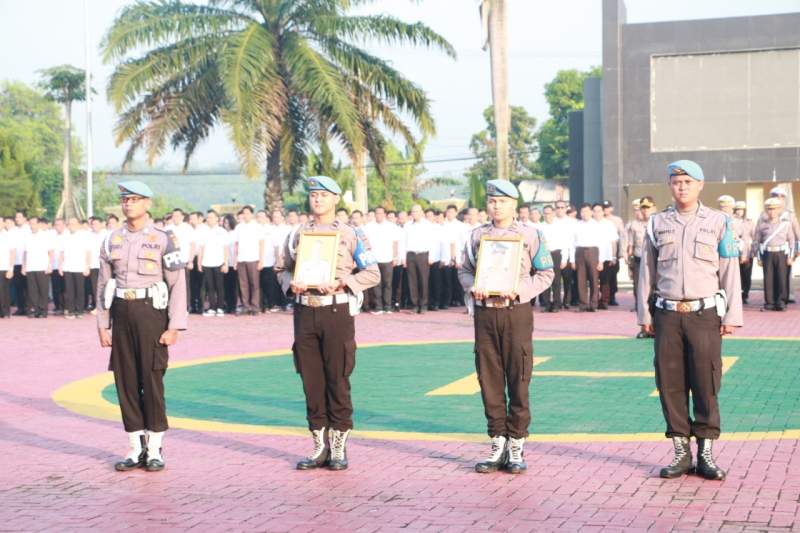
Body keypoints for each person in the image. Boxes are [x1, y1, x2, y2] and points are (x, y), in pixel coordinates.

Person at [638, 160, 742, 481]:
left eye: (687, 182)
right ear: (670, 185)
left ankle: (706, 453)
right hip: (667, 314)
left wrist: (732, 315)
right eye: (675, 181)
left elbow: (729, 270)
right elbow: (647, 272)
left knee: (706, 382)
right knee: (670, 383)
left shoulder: (719, 222)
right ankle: (681, 452)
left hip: (704, 314)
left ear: (700, 185)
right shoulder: (656, 223)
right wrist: (644, 314)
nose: (681, 187)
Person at [277, 176, 379, 471]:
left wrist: (343, 282)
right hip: (305, 311)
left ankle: (338, 445)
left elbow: (373, 273)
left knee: (338, 378)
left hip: (336, 311)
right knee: (311, 380)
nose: (318, 200)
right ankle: (318, 445)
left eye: (323, 195)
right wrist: (290, 284)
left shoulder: (352, 234)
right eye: (313, 195)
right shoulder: (297, 234)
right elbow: (281, 268)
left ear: (336, 199)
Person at [459, 180, 554, 474]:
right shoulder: (476, 236)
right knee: (488, 376)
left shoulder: (531, 234)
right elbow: (464, 270)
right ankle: (497, 439)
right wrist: (473, 286)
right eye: (491, 200)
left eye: (502, 201)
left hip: (516, 311)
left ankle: (516, 442)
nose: (496, 205)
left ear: (514, 204)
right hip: (486, 312)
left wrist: (520, 289)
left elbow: (546, 272)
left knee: (519, 375)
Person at [96, 181, 188, 472]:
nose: (129, 204)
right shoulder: (111, 239)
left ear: (147, 203)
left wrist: (175, 326)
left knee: (151, 379)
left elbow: (178, 285)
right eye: (125, 199)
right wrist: (102, 323)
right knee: (125, 381)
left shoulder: (165, 239)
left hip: (152, 313)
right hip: (122, 312)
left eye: (135, 199)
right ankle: (135, 446)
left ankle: (155, 447)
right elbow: (102, 284)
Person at [754, 197, 795, 311]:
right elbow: (757, 241)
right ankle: (770, 303)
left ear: (779, 210)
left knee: (782, 278)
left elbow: (791, 240)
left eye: (774, 209)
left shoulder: (785, 224)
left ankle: (781, 302)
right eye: (769, 209)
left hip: (781, 253)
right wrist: (758, 257)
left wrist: (791, 256)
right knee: (768, 278)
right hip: (767, 253)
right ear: (766, 210)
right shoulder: (762, 225)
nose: (772, 212)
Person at [570, 203, 605, 312]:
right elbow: (572, 243)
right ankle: (583, 304)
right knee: (581, 280)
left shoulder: (597, 225)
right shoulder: (576, 225)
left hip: (593, 252)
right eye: (582, 211)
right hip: (579, 252)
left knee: (594, 279)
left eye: (586, 211)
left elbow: (602, 244)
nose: (584, 214)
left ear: (591, 212)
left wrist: (601, 261)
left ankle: (594, 304)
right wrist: (572, 260)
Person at [628, 197, 655, 336]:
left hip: (656, 263)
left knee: (655, 294)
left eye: (648, 208)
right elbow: (630, 246)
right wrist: (629, 264)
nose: (645, 211)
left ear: (654, 208)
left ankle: (655, 325)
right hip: (639, 261)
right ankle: (644, 326)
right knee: (640, 294)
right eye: (643, 208)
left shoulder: (659, 223)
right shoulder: (634, 225)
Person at [364, 206, 399, 314]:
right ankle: (378, 307)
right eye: (377, 213)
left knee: (387, 284)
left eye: (381, 213)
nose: (379, 215)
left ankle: (388, 306)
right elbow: (365, 242)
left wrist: (395, 256)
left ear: (384, 214)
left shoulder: (391, 226)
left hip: (387, 258)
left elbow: (395, 243)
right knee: (376, 284)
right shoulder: (369, 226)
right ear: (375, 215)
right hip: (374, 259)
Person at [403, 205, 435, 314]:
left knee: (423, 280)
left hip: (423, 255)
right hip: (410, 255)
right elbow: (404, 242)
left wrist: (431, 257)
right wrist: (404, 258)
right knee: (412, 281)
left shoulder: (428, 225)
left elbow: (432, 242)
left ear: (422, 212)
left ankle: (423, 305)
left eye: (416, 211)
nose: (414, 214)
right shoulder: (407, 225)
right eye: (412, 212)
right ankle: (414, 305)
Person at [538, 205, 570, 312]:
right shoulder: (540, 227)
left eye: (549, 213)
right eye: (545, 213)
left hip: (556, 254)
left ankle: (557, 304)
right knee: (545, 279)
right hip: (544, 254)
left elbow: (565, 243)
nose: (547, 215)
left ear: (553, 213)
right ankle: (547, 304)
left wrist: (564, 259)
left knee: (556, 280)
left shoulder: (560, 226)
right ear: (543, 215)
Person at [233, 206, 264, 315]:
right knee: (243, 284)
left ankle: (255, 307)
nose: (245, 215)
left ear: (251, 214)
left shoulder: (257, 226)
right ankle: (246, 306)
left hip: (253, 259)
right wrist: (235, 259)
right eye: (244, 213)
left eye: (247, 213)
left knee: (254, 284)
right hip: (241, 259)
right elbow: (236, 244)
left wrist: (261, 260)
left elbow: (261, 243)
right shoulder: (239, 227)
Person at [198, 209, 229, 316]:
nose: (209, 219)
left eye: (212, 217)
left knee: (220, 286)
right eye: (208, 217)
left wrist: (225, 263)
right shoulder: (203, 231)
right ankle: (212, 307)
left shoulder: (222, 231)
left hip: (219, 262)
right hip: (206, 262)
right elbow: (201, 248)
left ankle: (220, 307)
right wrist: (199, 263)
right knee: (210, 287)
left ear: (217, 219)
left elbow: (226, 248)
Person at [22, 217, 54, 318]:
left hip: (42, 266)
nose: (32, 225)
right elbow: (25, 253)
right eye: (30, 223)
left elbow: (51, 252)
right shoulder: (27, 236)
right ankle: (34, 309)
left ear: (39, 224)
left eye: (34, 223)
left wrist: (50, 265)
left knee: (43, 290)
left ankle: (43, 310)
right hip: (30, 267)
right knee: (32, 290)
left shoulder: (45, 236)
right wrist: (24, 266)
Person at [60, 217, 91, 319]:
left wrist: (87, 266)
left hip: (80, 267)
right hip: (67, 267)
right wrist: (60, 266)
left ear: (78, 225)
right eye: (69, 224)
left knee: (80, 290)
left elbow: (88, 252)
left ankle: (80, 311)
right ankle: (71, 311)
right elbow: (62, 253)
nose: (71, 226)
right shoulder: (65, 236)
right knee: (69, 291)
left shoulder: (84, 236)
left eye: (73, 224)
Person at [602, 200, 626, 305]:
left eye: (607, 207)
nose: (605, 210)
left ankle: (612, 296)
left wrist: (620, 252)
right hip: (602, 252)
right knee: (602, 276)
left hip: (613, 251)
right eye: (604, 208)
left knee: (613, 275)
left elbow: (621, 237)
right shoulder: (598, 220)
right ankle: (603, 297)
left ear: (611, 208)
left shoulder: (617, 220)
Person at [733, 201, 755, 304]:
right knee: (736, 276)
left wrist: (754, 251)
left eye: (741, 210)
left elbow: (754, 237)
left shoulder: (749, 222)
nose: (739, 212)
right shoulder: (731, 221)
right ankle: (737, 295)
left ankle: (745, 294)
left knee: (746, 275)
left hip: (747, 252)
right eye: (737, 209)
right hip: (735, 252)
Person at [10, 211, 30, 315]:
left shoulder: (29, 230)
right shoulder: (13, 231)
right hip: (16, 262)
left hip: (27, 263)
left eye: (19, 217)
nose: (17, 219)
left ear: (25, 218)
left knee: (28, 286)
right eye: (16, 217)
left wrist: (25, 263)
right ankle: (20, 307)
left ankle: (28, 307)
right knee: (18, 286)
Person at [0, 220, 14, 318]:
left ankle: (5, 311)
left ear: (4, 224)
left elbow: (12, 253)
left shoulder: (8, 236)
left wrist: (11, 268)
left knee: (4, 291)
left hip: (5, 267)